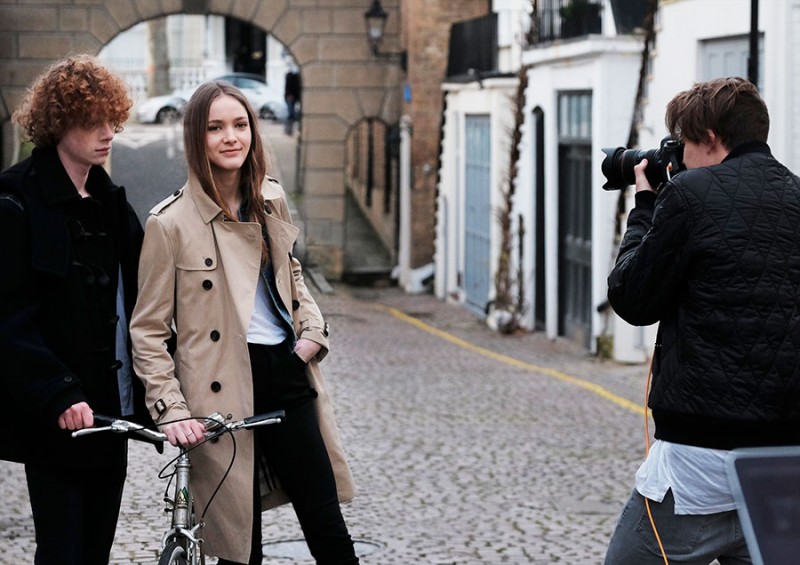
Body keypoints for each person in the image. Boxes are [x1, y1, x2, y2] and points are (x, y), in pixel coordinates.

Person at [130, 80, 359, 565]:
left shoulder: (269, 198)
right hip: (218, 391)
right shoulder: (168, 223)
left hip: (284, 372)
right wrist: (172, 409)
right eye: (215, 128)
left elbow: (292, 277)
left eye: (240, 125)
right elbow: (148, 331)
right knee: (239, 549)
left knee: (329, 531)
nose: (230, 137)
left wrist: (311, 335)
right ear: (197, 138)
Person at [604, 76, 800, 564]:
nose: (681, 155)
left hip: (699, 462)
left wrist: (646, 205)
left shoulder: (689, 194)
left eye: (685, 142)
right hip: (783, 461)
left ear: (711, 137)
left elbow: (632, 299)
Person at [0, 54, 155, 564]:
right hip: (57, 418)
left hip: (111, 412)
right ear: (58, 122)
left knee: (96, 552)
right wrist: (57, 391)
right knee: (62, 554)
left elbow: (149, 297)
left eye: (112, 119)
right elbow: (9, 316)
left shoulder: (112, 203)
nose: (107, 132)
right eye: (92, 121)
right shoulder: (17, 199)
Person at [284, 68, 301, 136]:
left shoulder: (298, 75)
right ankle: (288, 130)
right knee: (291, 114)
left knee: (297, 114)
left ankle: (292, 130)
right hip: (290, 96)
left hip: (296, 96)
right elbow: (287, 86)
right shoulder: (289, 75)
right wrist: (289, 94)